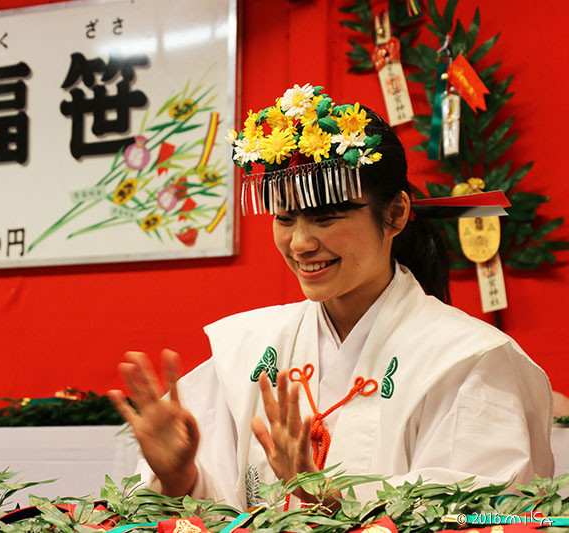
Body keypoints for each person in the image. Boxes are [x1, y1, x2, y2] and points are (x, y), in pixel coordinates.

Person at [109, 84, 553, 507]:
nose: (300, 243)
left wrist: (327, 499)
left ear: (395, 213)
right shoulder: (246, 350)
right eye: (284, 218)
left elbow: (486, 513)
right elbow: (205, 506)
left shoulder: (468, 359)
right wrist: (178, 477)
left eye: (325, 217)